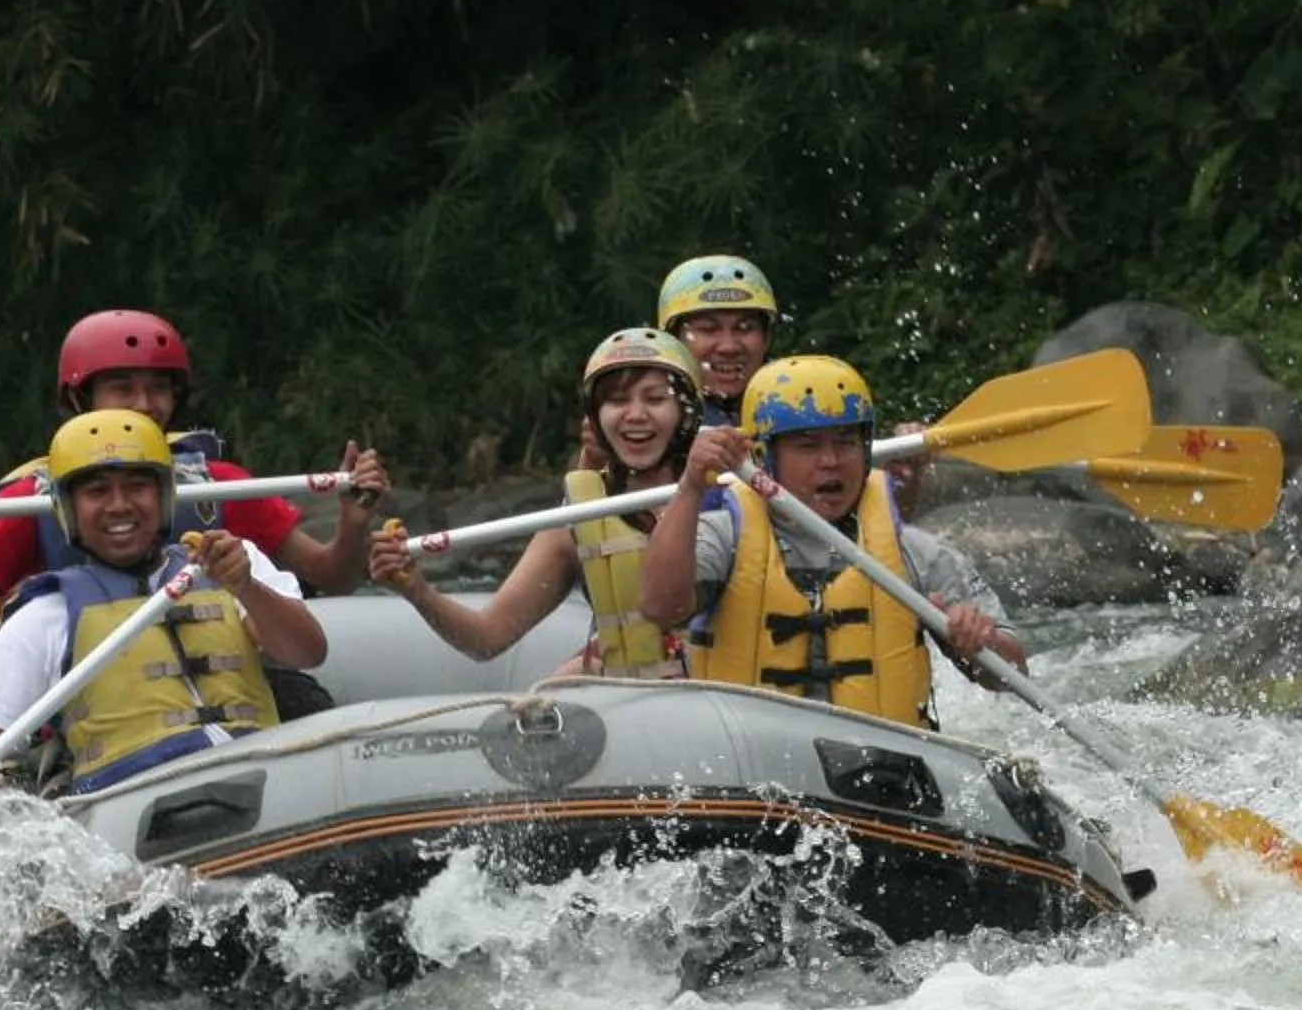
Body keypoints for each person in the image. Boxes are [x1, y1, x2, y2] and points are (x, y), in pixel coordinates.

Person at [0, 308, 390, 607]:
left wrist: (352, 523)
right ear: (78, 401)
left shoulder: (216, 485)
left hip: (209, 677)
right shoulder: (36, 500)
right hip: (84, 693)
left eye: (158, 387)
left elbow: (332, 577)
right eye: (121, 387)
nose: (144, 404)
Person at [0, 411, 326, 791]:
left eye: (137, 487)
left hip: (261, 775)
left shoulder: (233, 562)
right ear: (68, 510)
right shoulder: (46, 614)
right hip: (135, 801)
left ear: (164, 497)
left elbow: (306, 653)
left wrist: (246, 588)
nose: (119, 505)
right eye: (97, 492)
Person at [637, 356, 1025, 725]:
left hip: (880, 771)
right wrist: (690, 486)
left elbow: (1013, 676)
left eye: (846, 442)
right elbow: (660, 608)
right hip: (750, 762)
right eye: (807, 446)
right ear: (763, 455)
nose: (831, 461)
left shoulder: (917, 553)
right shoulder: (723, 538)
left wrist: (979, 642)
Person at [368, 328, 742, 675]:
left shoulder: (736, 496)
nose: (635, 414)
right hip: (631, 707)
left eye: (655, 399)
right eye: (616, 400)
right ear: (595, 419)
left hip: (730, 711)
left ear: (687, 413)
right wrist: (417, 590)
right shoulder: (578, 518)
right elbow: (487, 638)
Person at [657, 255, 779, 427]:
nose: (728, 347)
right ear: (673, 341)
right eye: (708, 329)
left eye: (745, 328)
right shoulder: (647, 422)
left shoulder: (802, 409)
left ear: (766, 338)